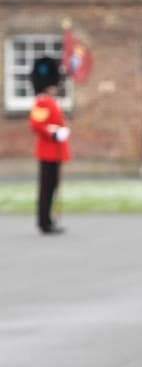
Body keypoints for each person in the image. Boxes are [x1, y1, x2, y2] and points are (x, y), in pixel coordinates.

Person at [27, 56, 71, 235]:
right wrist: (53, 133)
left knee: (52, 186)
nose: (56, 87)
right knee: (46, 188)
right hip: (48, 152)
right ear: (48, 85)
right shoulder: (43, 102)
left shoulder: (52, 102)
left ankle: (48, 219)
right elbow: (35, 124)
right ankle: (43, 221)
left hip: (56, 152)